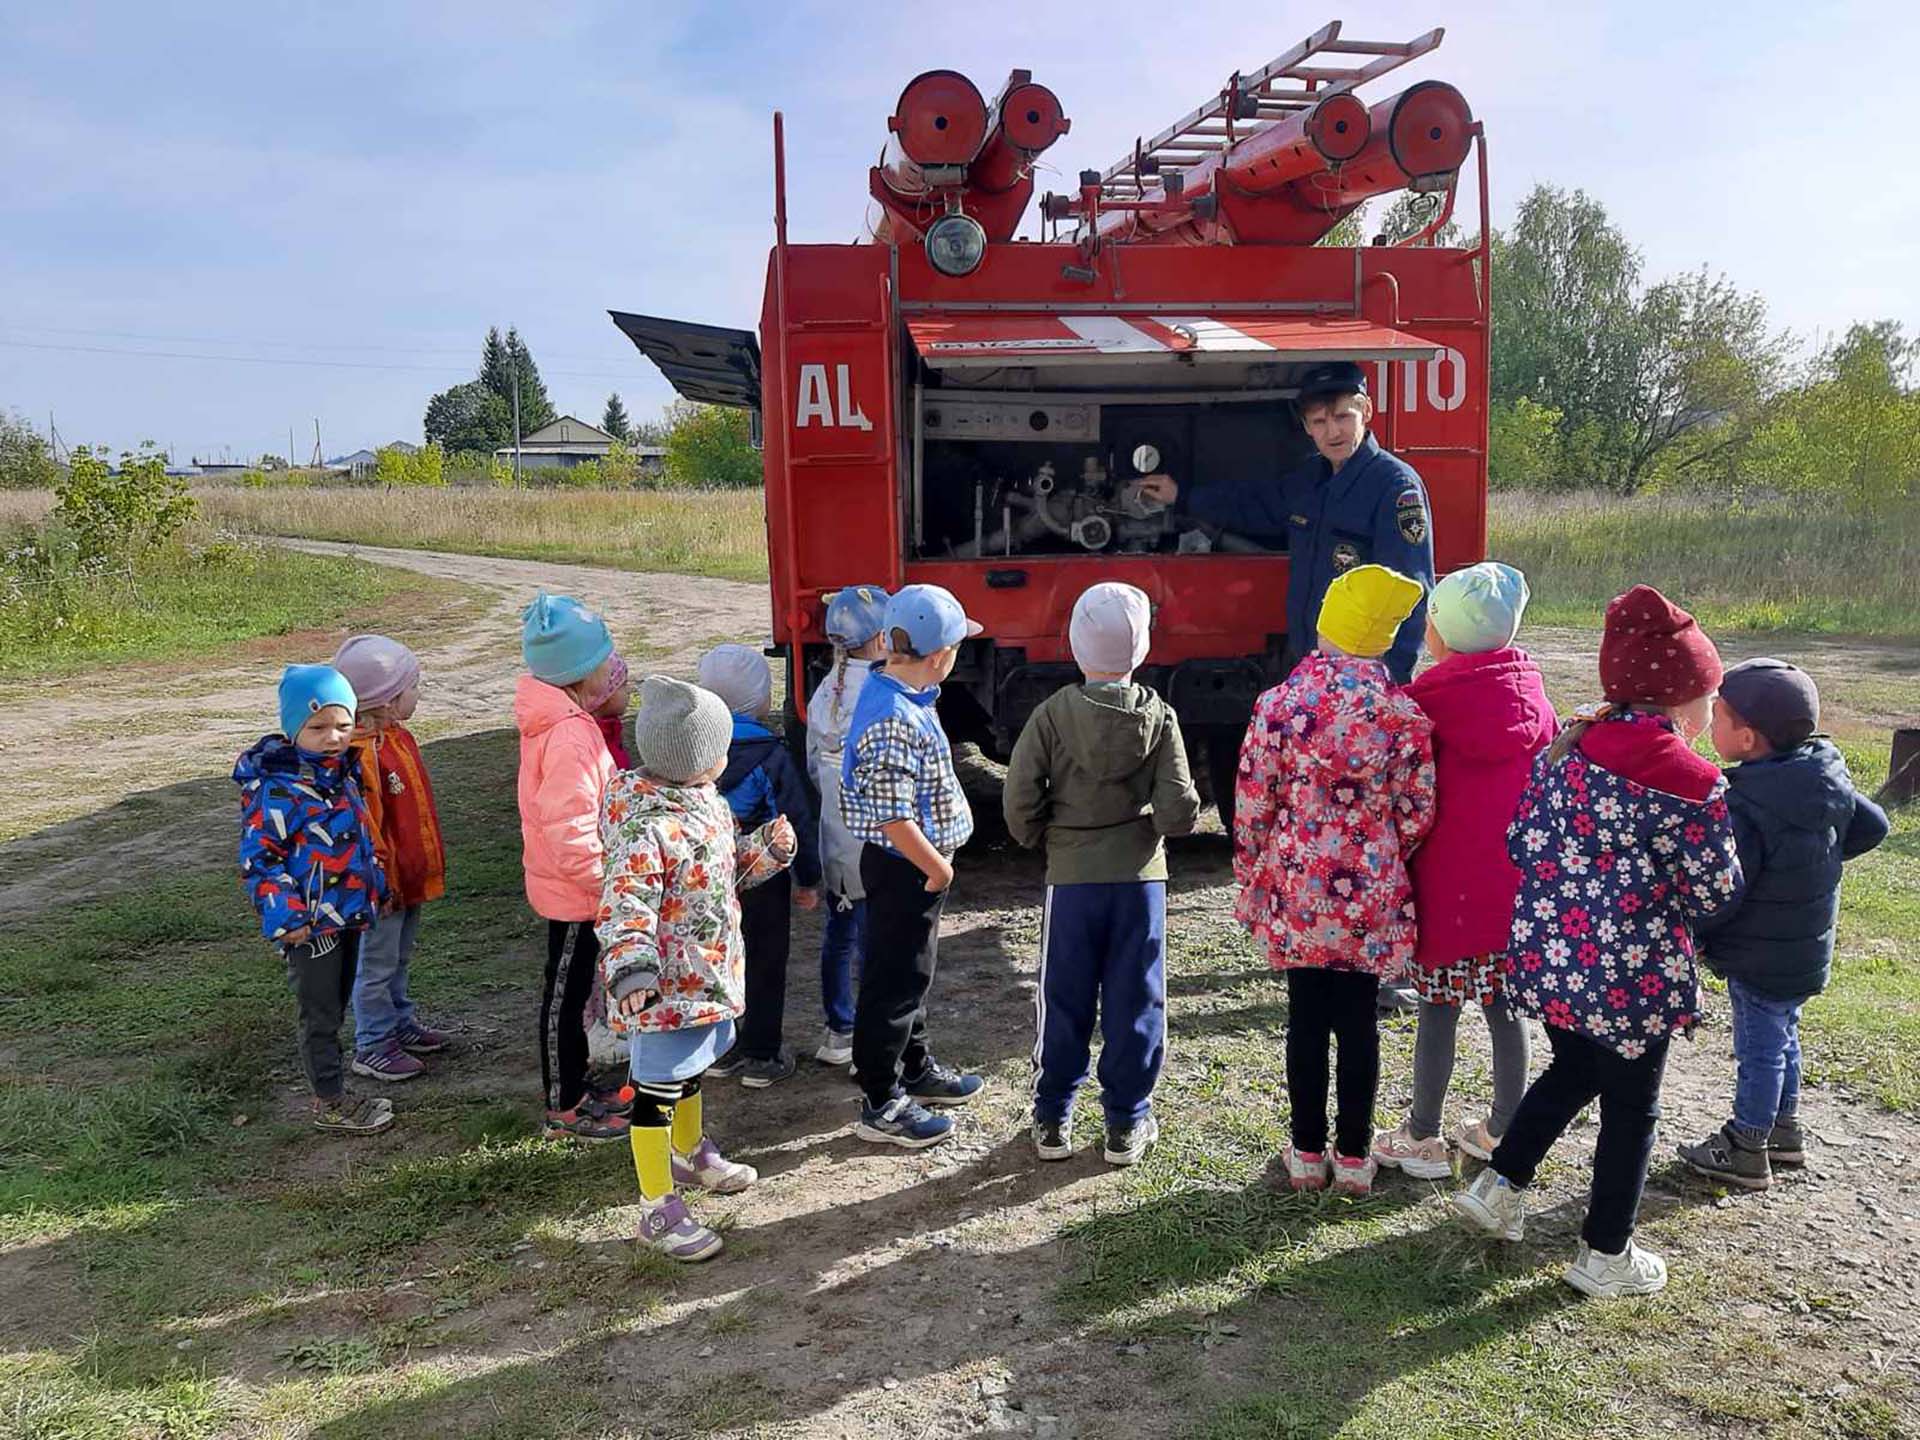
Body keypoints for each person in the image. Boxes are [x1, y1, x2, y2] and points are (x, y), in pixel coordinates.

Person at [1452, 585, 1743, 1300]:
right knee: (1632, 1109)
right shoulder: (1691, 782)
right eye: (1710, 694)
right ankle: (1605, 1251)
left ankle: (1500, 1185)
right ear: (1683, 701)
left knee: (1574, 1070)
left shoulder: (1567, 745)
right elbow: (1712, 892)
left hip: (1549, 959)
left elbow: (1520, 839)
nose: (1711, 712)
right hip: (1631, 979)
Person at [1139, 360, 1434, 1015]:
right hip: (1314, 677)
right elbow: (1251, 502)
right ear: (1306, 425)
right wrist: (1177, 495)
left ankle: (1387, 964)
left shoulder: (1395, 488)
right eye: (1319, 420)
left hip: (1369, 690)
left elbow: (1411, 596)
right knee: (1323, 825)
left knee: (1376, 824)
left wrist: (1394, 689)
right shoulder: (1308, 481)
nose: (1332, 429)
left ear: (1366, 411)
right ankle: (1320, 939)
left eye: (1342, 416)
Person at [1235, 565, 1435, 1196]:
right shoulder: (1401, 714)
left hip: (1297, 886)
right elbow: (1417, 811)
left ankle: (1304, 1154)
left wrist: (1255, 871)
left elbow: (1252, 802)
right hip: (1368, 892)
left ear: (1326, 626)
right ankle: (1353, 1157)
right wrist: (1379, 855)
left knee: (1305, 1019)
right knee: (1359, 1023)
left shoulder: (1280, 705)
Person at [598, 676, 797, 1261]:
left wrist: (767, 850)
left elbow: (722, 873)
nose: (727, 757)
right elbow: (624, 906)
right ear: (697, 757)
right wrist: (633, 971)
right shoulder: (646, 828)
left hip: (705, 977)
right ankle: (655, 1207)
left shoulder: (704, 803)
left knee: (689, 1075)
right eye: (722, 748)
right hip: (662, 989)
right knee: (654, 1094)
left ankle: (691, 1153)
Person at [1004, 582, 1200, 1165]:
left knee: (1063, 996)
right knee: (1136, 997)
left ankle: (1053, 1118)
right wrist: (1157, 826)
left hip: (1071, 879)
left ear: (1074, 645)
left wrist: (1040, 836)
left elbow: (1018, 799)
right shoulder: (1160, 718)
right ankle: (1125, 1122)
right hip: (1140, 881)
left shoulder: (1051, 715)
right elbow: (1179, 809)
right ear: (1141, 648)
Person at [1373, 564, 1556, 1179]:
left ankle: (1422, 1134)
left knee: (1438, 1009)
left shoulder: (1425, 705)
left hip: (1447, 888)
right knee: (1507, 1008)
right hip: (1515, 890)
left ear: (1438, 635)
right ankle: (1506, 1125)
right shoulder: (1535, 698)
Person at [1677, 660, 1888, 1190]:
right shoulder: (1824, 772)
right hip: (1806, 944)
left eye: (1718, 716)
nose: (1712, 723)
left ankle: (1747, 1144)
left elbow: (1727, 888)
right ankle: (1784, 1130)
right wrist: (1818, 862)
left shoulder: (1747, 802)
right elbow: (1875, 824)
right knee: (1784, 1034)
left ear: (1746, 738)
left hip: (1760, 951)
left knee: (1760, 1047)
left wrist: (1698, 934)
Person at [841, 583, 987, 1148]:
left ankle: (915, 1066)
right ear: (941, 657)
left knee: (913, 971)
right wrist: (937, 869)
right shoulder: (893, 718)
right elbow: (893, 818)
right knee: (894, 980)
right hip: (905, 866)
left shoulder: (897, 693)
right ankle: (881, 1098)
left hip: (911, 865)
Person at [235, 664, 393, 1134]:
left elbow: (361, 840)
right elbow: (260, 860)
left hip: (346, 916)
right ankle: (330, 1101)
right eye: (318, 727)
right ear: (293, 728)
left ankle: (337, 1087)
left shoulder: (340, 776)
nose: (332, 738)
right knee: (320, 1013)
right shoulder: (277, 789)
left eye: (343, 726)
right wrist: (287, 917)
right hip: (310, 928)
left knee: (338, 1004)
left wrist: (376, 888)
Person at [515, 592, 632, 1142]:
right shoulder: (567, 735)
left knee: (575, 985)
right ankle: (563, 1104)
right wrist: (603, 883)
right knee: (564, 995)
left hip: (582, 887)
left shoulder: (570, 724)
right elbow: (569, 828)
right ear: (583, 676)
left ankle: (577, 1085)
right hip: (574, 891)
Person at [696, 642, 823, 1088]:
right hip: (763, 876)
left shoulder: (692, 750)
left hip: (705, 876)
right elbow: (799, 821)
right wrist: (808, 879)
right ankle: (762, 1054)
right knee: (766, 959)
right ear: (758, 699)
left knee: (718, 956)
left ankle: (721, 1048)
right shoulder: (772, 756)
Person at [330, 635, 452, 1085]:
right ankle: (373, 1043)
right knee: (376, 964)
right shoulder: (361, 755)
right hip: (382, 884)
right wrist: (377, 879)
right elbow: (366, 826)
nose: (418, 695)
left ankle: (399, 1023)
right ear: (384, 699)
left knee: (398, 958)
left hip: (407, 877)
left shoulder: (396, 738)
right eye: (413, 687)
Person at [805, 584, 892, 1067]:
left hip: (835, 838)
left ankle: (838, 1028)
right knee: (875, 940)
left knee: (839, 934)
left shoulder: (826, 692)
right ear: (881, 639)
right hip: (876, 837)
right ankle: (872, 1038)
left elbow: (815, 763)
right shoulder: (881, 692)